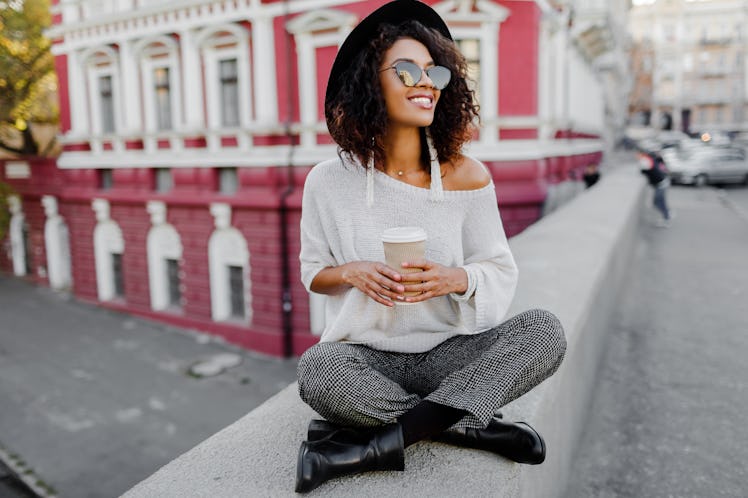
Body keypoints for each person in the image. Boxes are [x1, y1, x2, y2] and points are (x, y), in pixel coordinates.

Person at [295, 0, 567, 493]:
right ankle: (464, 424)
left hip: (449, 351)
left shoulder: (468, 175)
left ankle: (372, 445)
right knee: (317, 371)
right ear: (368, 82)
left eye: (433, 72)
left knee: (543, 333)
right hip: (367, 355)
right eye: (404, 70)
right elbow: (313, 271)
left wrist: (456, 278)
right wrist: (353, 271)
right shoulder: (327, 182)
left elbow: (499, 268)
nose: (424, 82)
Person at [639, 151, 672, 226]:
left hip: (661, 184)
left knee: (658, 202)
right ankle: (667, 214)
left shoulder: (648, 165)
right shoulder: (652, 161)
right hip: (663, 183)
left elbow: (644, 171)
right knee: (659, 202)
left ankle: (667, 217)